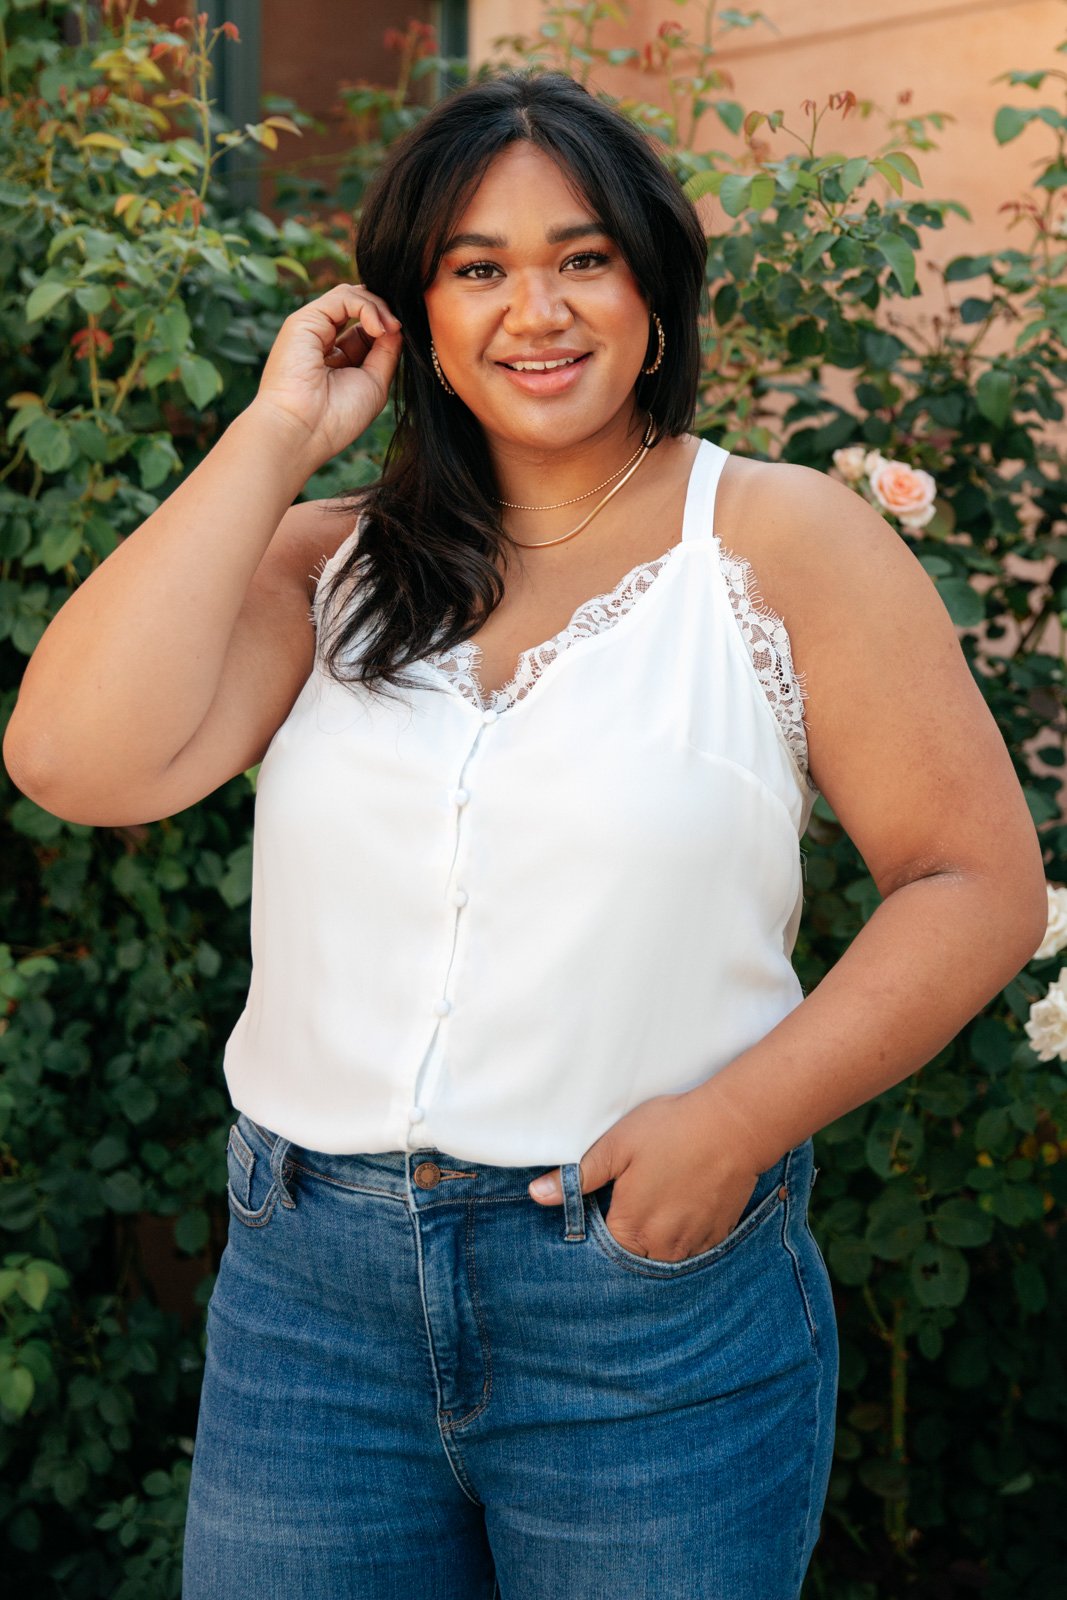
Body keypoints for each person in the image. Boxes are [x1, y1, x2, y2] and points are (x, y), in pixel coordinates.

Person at [3, 67, 1046, 1600]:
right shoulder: (331, 566)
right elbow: (74, 760)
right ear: (416, 316)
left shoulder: (779, 541)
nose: (536, 309)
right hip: (310, 1299)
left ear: (652, 285)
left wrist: (739, 1125)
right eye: (477, 270)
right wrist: (281, 428)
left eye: (581, 257)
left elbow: (973, 884)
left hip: (641, 1300)